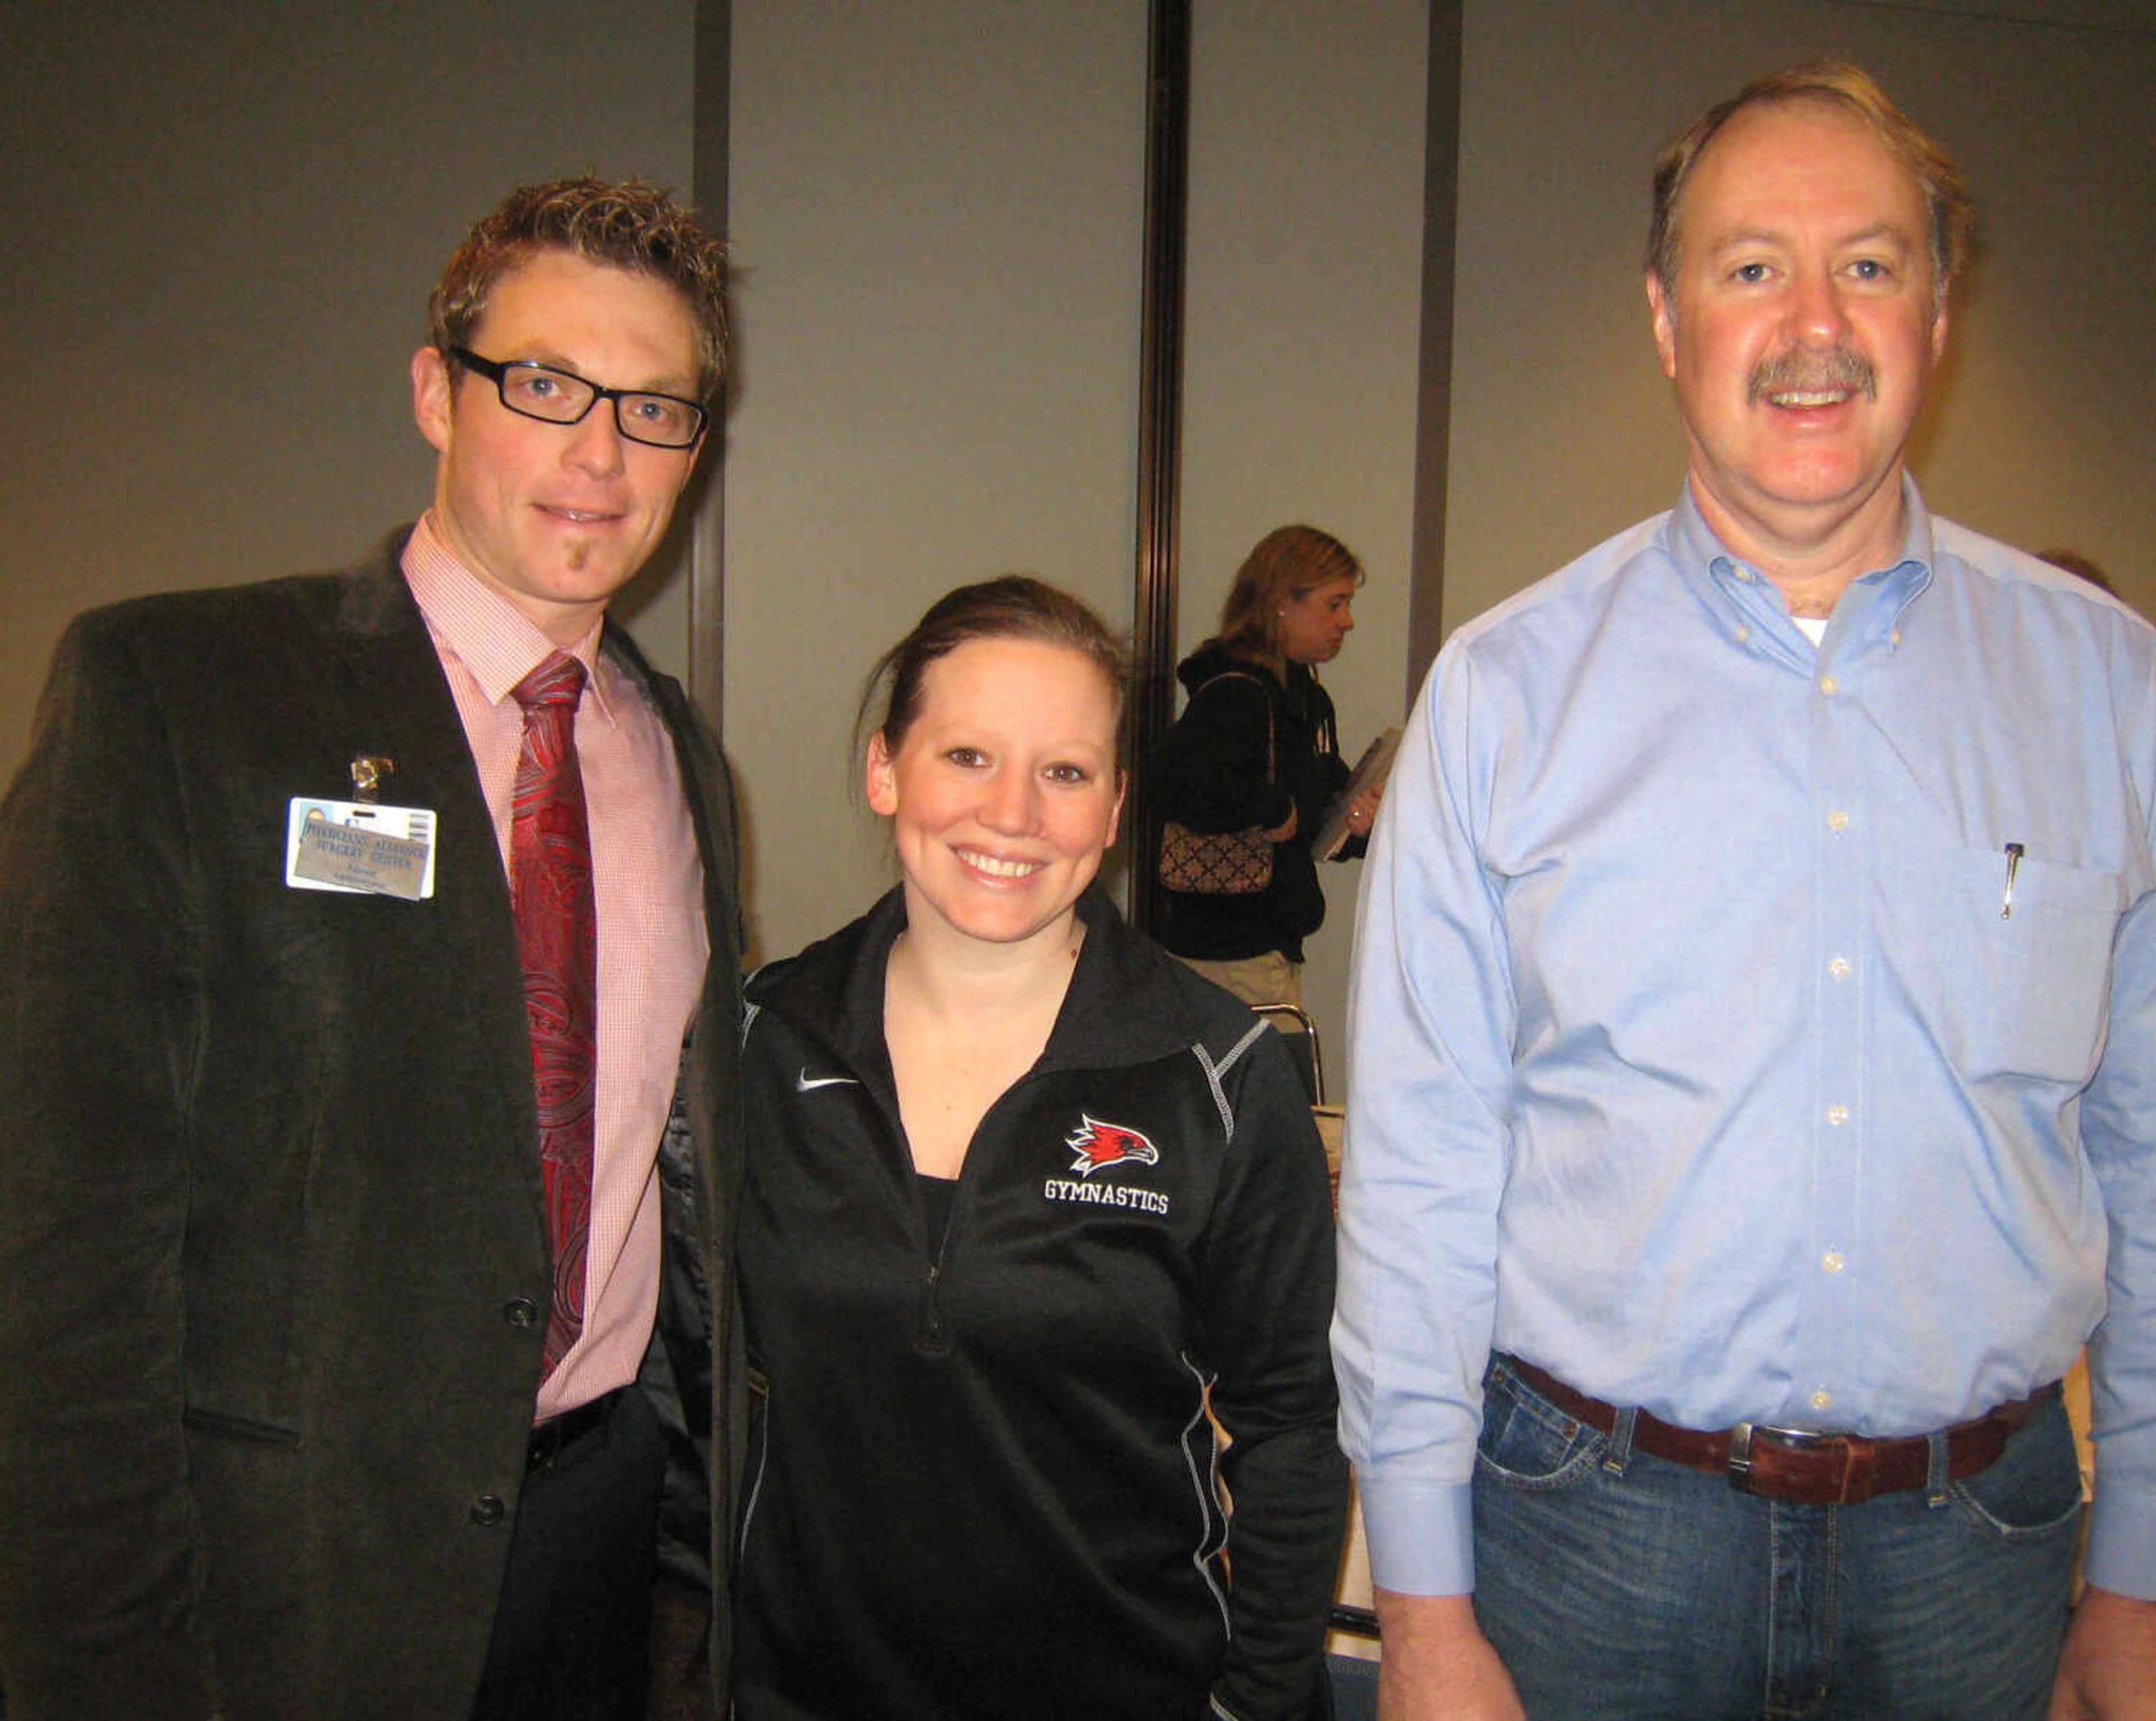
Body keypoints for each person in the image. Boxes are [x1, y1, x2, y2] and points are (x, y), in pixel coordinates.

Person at [1333, 61, 2156, 1720]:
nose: (1812, 327)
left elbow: (2144, 1149)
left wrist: (2134, 1569)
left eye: (1867, 263)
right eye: (1746, 266)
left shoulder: (2107, 691)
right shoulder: (1500, 696)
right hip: (1590, 1534)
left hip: (1978, 1546)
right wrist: (1420, 1608)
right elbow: (1419, 1171)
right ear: (1661, 316)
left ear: (1936, 304)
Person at [0, 177, 746, 1720]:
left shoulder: (678, 763)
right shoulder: (180, 691)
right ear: (436, 392)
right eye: (545, 385)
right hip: (277, 1579)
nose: (600, 454)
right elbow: (58, 1237)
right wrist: (102, 1659)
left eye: (657, 408)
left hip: (595, 1540)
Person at [730, 576, 1348, 1719]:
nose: (1012, 813)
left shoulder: (1216, 1078)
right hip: (806, 1691)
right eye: (967, 756)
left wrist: (1255, 1705)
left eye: (1064, 771)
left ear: (1115, 808)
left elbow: (1295, 1427)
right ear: (885, 771)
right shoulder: (765, 1044)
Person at [1152, 524, 1380, 1013]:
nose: (1348, 622)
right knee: (1267, 1085)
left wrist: (1357, 825)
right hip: (1231, 949)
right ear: (1283, 602)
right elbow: (1174, 781)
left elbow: (1315, 807)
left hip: (1264, 944)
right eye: (1334, 604)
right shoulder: (1240, 694)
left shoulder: (1304, 697)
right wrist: (1271, 809)